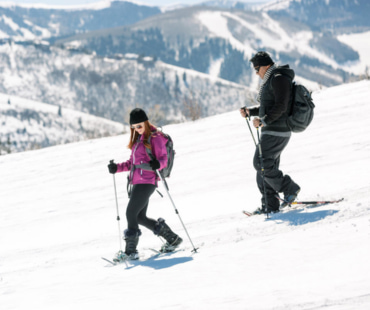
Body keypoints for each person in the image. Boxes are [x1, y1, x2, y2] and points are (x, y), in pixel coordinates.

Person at [108, 108, 182, 260]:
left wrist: (157, 164)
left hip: (148, 181)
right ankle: (172, 239)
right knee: (140, 217)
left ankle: (131, 253)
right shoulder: (138, 141)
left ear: (146, 122)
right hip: (137, 182)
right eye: (134, 127)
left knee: (130, 213)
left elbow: (163, 159)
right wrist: (117, 168)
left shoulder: (156, 138)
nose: (137, 129)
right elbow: (132, 163)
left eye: (139, 126)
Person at [240, 51, 300, 214]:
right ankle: (270, 205)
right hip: (272, 130)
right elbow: (269, 107)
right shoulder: (271, 79)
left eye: (257, 68)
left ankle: (290, 188)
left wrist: (264, 120)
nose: (256, 73)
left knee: (260, 163)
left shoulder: (278, 78)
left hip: (278, 130)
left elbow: (281, 105)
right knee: (263, 167)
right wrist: (251, 112)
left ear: (266, 66)